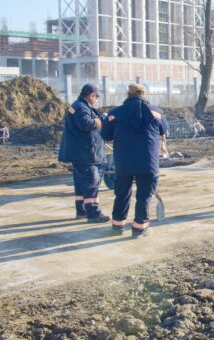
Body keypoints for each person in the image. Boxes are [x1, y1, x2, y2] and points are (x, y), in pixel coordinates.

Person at [101, 84, 168, 238]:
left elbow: (105, 135)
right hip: (148, 162)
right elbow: (163, 130)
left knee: (122, 193)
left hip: (124, 161)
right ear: (144, 94)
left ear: (128, 94)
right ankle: (139, 228)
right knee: (144, 195)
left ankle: (117, 225)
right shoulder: (156, 112)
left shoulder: (115, 113)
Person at [58, 84, 110, 222]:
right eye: (96, 96)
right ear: (90, 95)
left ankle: (81, 211)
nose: (97, 99)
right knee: (91, 183)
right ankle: (94, 213)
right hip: (84, 153)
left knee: (81, 186)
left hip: (81, 152)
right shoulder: (81, 107)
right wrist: (99, 122)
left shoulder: (80, 106)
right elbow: (86, 124)